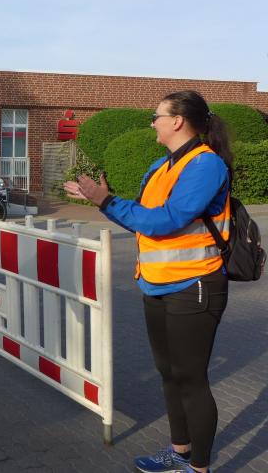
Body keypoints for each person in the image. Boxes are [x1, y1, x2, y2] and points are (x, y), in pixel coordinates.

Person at [64, 90, 231, 473]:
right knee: (169, 374)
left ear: (178, 121)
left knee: (191, 379)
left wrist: (107, 202)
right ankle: (179, 451)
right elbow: (141, 218)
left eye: (157, 116)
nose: (152, 122)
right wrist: (104, 200)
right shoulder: (161, 165)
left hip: (194, 285)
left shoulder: (206, 164)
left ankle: (199, 468)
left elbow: (167, 220)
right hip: (155, 284)